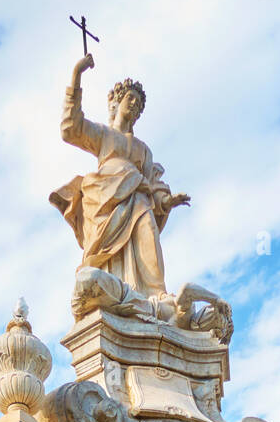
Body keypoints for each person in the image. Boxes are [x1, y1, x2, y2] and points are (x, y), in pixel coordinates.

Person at [50, 53, 190, 300]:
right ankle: (113, 293)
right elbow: (70, 129)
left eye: (138, 102)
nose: (134, 104)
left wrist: (167, 201)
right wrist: (76, 75)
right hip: (104, 202)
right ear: (116, 101)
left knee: (147, 228)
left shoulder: (143, 150)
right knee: (106, 257)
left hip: (138, 198)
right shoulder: (103, 135)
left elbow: (153, 184)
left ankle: (155, 293)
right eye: (130, 98)